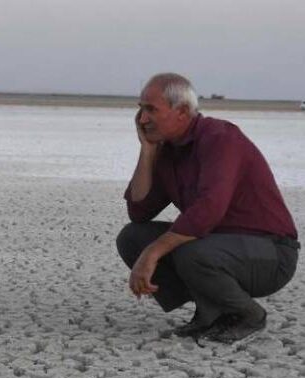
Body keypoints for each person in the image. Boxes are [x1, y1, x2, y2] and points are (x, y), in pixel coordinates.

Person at [116, 73, 300, 343]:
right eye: (140, 110)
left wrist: (152, 253)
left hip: (271, 254)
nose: (143, 119)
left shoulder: (220, 139)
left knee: (190, 251)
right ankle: (210, 312)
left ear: (182, 111)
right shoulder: (168, 151)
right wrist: (147, 151)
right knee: (133, 237)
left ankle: (248, 315)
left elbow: (207, 211)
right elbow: (140, 212)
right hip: (217, 246)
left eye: (151, 110)